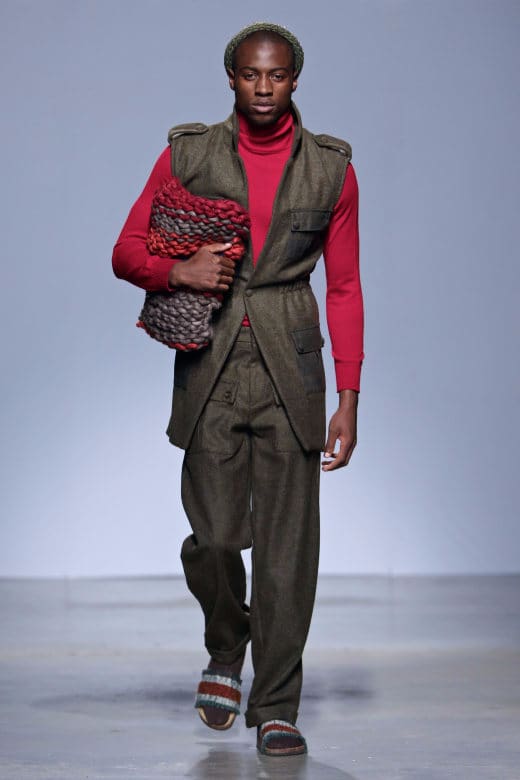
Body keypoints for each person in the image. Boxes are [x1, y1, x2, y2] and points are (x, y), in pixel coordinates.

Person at [112, 21, 364, 757]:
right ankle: (227, 646)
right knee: (217, 536)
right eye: (251, 74)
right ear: (231, 77)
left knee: (289, 548)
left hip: (293, 365)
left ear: (294, 80)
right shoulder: (188, 155)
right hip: (211, 363)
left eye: (276, 75)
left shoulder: (332, 170)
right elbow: (126, 251)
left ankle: (277, 704)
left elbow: (344, 286)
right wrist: (179, 270)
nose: (263, 87)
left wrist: (349, 396)